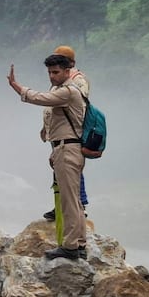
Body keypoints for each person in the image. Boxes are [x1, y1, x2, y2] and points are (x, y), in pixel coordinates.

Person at [8, 50, 88, 259]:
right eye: (50, 73)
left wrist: (17, 87)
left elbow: (40, 98)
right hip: (66, 147)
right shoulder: (67, 89)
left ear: (67, 70)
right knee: (75, 199)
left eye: (56, 72)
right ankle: (79, 243)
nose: (52, 76)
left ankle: (70, 247)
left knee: (69, 201)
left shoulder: (68, 91)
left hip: (67, 149)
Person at [40, 45, 91, 221]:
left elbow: (77, 105)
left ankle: (79, 205)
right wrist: (45, 128)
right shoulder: (60, 80)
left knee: (72, 171)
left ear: (71, 63)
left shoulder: (77, 81)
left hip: (71, 134)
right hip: (58, 133)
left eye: (61, 58)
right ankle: (61, 204)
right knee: (60, 169)